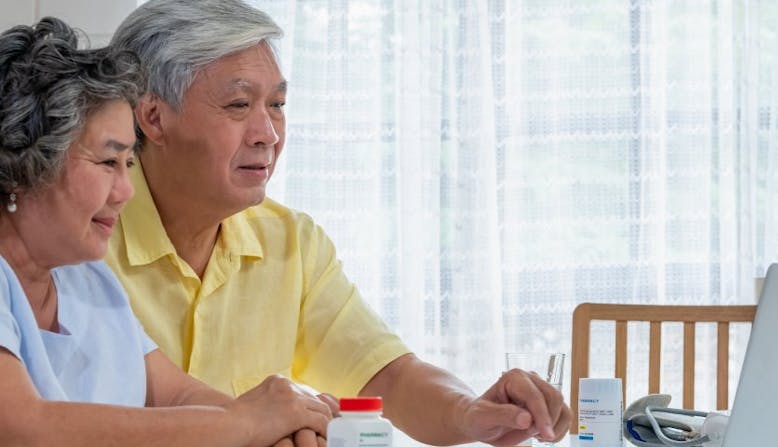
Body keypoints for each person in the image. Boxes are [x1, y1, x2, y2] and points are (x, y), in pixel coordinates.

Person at [107, 1, 572, 445]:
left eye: (277, 105)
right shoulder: (81, 239)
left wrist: (470, 411)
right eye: (238, 106)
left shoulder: (291, 241)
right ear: (153, 116)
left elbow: (390, 376)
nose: (268, 134)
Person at [0, 17, 336, 446]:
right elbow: (22, 427)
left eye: (128, 165)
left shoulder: (90, 280)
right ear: (23, 166)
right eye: (108, 162)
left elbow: (176, 394)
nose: (124, 191)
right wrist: (245, 424)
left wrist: (280, 426)